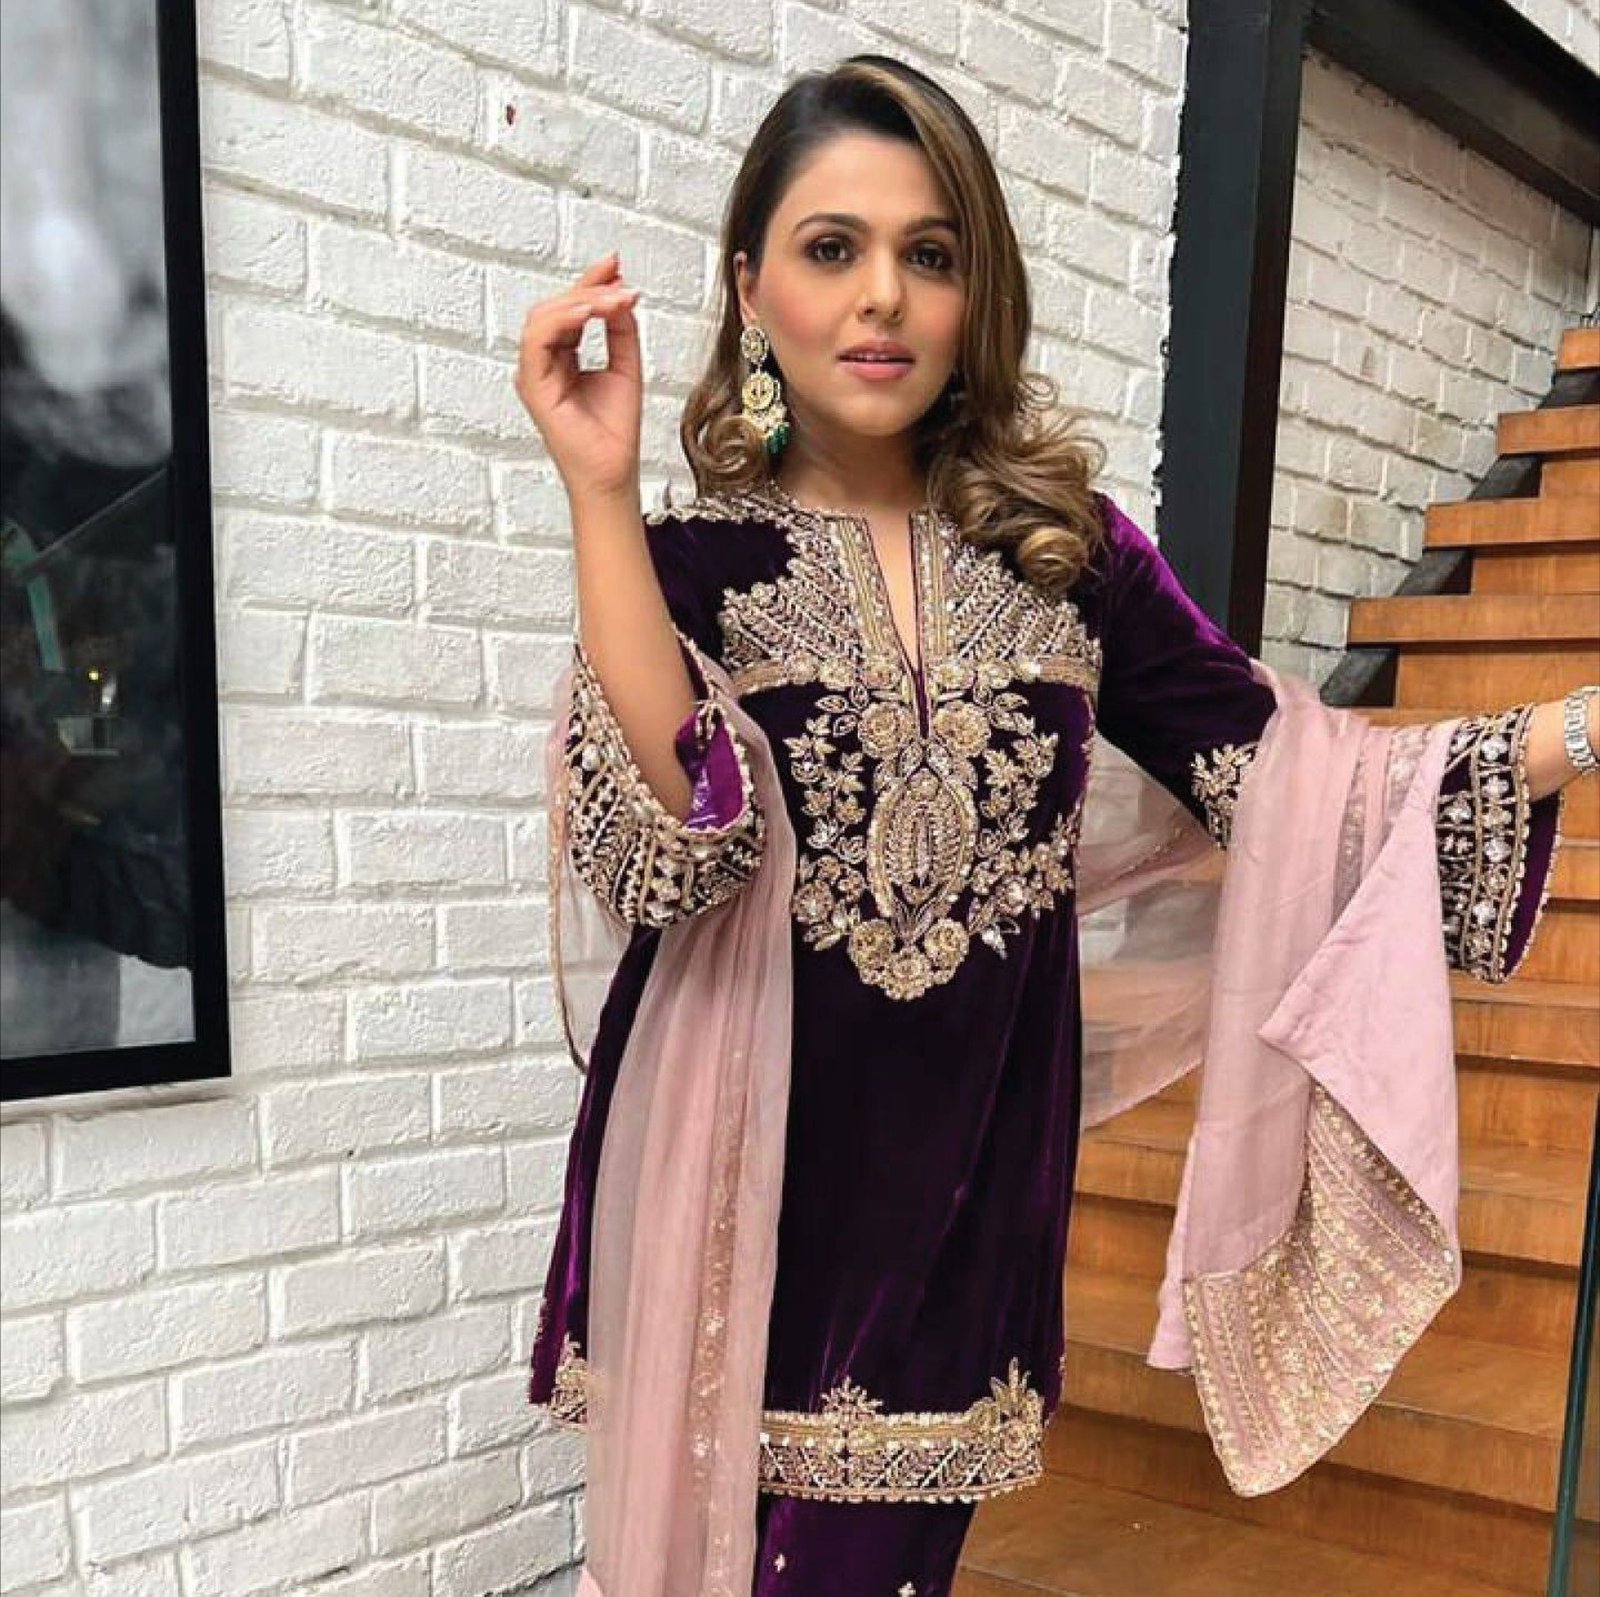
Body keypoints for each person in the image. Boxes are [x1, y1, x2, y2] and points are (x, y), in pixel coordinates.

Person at [513, 54, 1596, 1597]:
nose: (882, 295)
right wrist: (599, 495)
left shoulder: (1069, 562)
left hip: (960, 1231)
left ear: (978, 295)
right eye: (832, 248)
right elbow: (670, 848)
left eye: (930, 253)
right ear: (751, 289)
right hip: (726, 1209)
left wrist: (1580, 728)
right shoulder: (690, 572)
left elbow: (1299, 787)